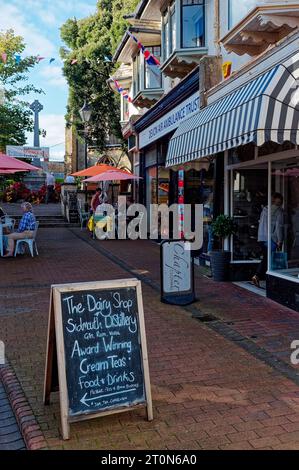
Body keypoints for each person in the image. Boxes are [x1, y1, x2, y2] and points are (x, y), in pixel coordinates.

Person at [252, 192, 284, 287]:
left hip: (262, 237)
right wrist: (280, 240)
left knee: (266, 258)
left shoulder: (265, 209)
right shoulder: (279, 211)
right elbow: (279, 227)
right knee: (269, 260)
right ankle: (259, 276)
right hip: (271, 238)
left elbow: (261, 223)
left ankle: (261, 277)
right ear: (280, 201)